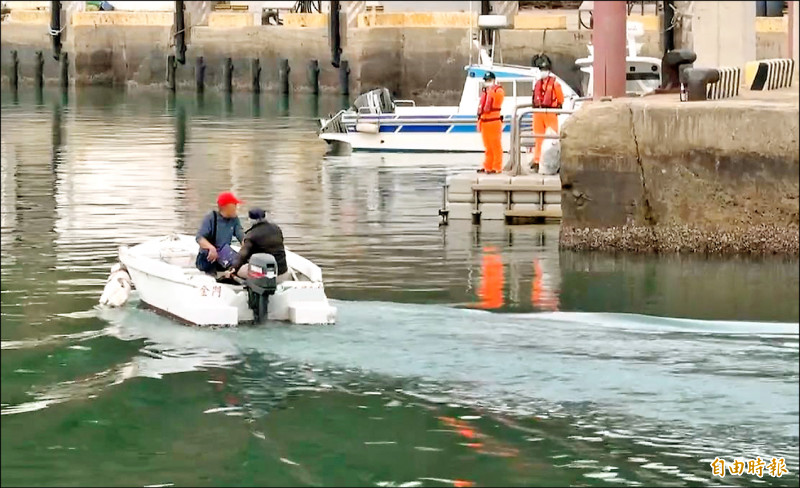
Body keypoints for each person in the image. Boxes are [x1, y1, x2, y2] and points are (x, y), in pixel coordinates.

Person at [227, 208, 292, 284]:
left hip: (265, 278)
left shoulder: (251, 235)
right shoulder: (276, 229)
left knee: (239, 270)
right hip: (282, 273)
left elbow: (242, 256)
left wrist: (232, 269)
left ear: (250, 219)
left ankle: (247, 285)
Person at [195, 191, 245, 275]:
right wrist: (211, 248)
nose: (236, 208)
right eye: (234, 205)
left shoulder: (234, 219)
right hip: (208, 258)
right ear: (225, 207)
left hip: (224, 256)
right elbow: (199, 238)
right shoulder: (211, 217)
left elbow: (241, 235)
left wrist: (248, 246)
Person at [531, 55, 564, 169]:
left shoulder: (555, 84)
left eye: (544, 70)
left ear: (548, 71)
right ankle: (537, 160)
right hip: (538, 113)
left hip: (550, 112)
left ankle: (551, 161)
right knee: (538, 137)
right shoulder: (537, 84)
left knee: (551, 138)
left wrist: (557, 107)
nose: (543, 72)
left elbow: (560, 98)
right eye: (541, 70)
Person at [477, 71, 505, 174]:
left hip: (494, 121)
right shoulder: (485, 92)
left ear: (493, 80)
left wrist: (491, 92)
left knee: (495, 145)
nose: (487, 82)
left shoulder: (498, 90)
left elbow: (498, 100)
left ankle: (497, 167)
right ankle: (487, 166)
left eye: (489, 80)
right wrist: (479, 121)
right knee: (487, 147)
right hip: (484, 122)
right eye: (486, 81)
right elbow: (482, 108)